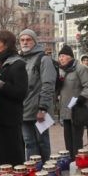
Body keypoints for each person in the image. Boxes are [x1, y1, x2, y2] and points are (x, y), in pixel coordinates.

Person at [0, 31, 28, 168]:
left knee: (12, 156)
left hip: (10, 118)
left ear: (7, 45)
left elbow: (20, 92)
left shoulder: (18, 64)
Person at [18, 29, 57, 160]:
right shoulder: (19, 59)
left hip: (39, 110)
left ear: (34, 42)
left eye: (28, 39)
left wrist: (43, 108)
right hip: (23, 110)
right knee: (29, 143)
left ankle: (46, 170)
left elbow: (48, 85)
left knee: (42, 142)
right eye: (22, 40)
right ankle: (33, 170)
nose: (25, 42)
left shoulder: (44, 59)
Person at [56, 45, 88, 157]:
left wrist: (81, 99)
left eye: (63, 56)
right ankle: (70, 162)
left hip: (77, 110)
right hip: (65, 110)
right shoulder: (61, 71)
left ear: (70, 57)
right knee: (68, 140)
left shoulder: (80, 69)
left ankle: (78, 162)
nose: (60, 59)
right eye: (59, 56)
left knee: (77, 140)